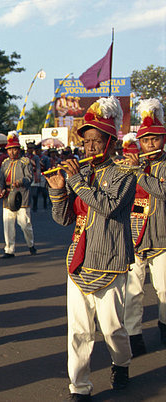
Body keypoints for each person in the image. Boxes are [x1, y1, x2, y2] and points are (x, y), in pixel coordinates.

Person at [46, 97, 134, 400]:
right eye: (87, 142)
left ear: (110, 143)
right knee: (79, 332)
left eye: (97, 141)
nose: (90, 147)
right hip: (78, 259)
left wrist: (76, 180)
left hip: (110, 258)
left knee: (113, 330)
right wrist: (58, 191)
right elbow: (63, 219)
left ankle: (121, 363)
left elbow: (107, 205)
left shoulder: (124, 173)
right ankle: (80, 387)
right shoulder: (80, 173)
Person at [123, 99, 166, 354]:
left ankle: (164, 326)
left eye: (156, 139)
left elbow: (162, 190)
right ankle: (133, 336)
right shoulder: (131, 165)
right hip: (134, 236)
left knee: (164, 289)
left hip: (162, 235)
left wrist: (139, 172)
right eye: (146, 140)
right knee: (133, 291)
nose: (150, 144)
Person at [0, 133, 36, 258]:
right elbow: (0, 179)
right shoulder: (5, 163)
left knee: (25, 224)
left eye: (14, 149)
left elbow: (29, 178)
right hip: (7, 197)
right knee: (8, 225)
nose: (12, 152)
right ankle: (9, 250)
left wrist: (20, 182)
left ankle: (31, 244)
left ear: (18, 150)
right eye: (9, 149)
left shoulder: (25, 162)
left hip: (21, 196)